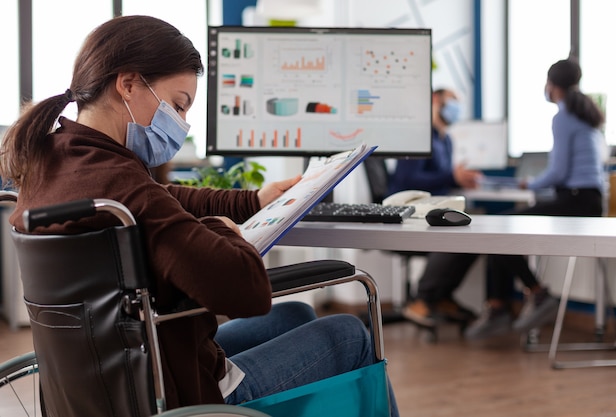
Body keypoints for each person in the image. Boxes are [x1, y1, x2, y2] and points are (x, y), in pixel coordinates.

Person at [0, 15, 398, 415]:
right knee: (348, 334)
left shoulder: (54, 161)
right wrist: (222, 230)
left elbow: (160, 199)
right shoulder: (119, 184)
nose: (182, 123)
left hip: (113, 381)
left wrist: (253, 201)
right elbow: (245, 291)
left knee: (294, 313)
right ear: (128, 84)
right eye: (177, 104)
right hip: (181, 394)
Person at [464, 57, 606, 339]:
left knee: (496, 228)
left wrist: (532, 183)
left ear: (552, 86)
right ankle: (500, 305)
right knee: (499, 229)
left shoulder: (564, 116)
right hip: (588, 199)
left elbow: (559, 172)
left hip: (576, 201)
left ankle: (533, 295)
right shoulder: (586, 114)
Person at [387, 88, 482, 327]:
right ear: (436, 100)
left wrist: (458, 179)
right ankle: (421, 299)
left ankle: (441, 296)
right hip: (411, 211)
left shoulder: (446, 140)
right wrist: (452, 177)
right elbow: (408, 181)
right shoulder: (418, 137)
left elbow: (444, 179)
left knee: (475, 232)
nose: (456, 108)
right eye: (453, 101)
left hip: (433, 209)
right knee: (453, 236)